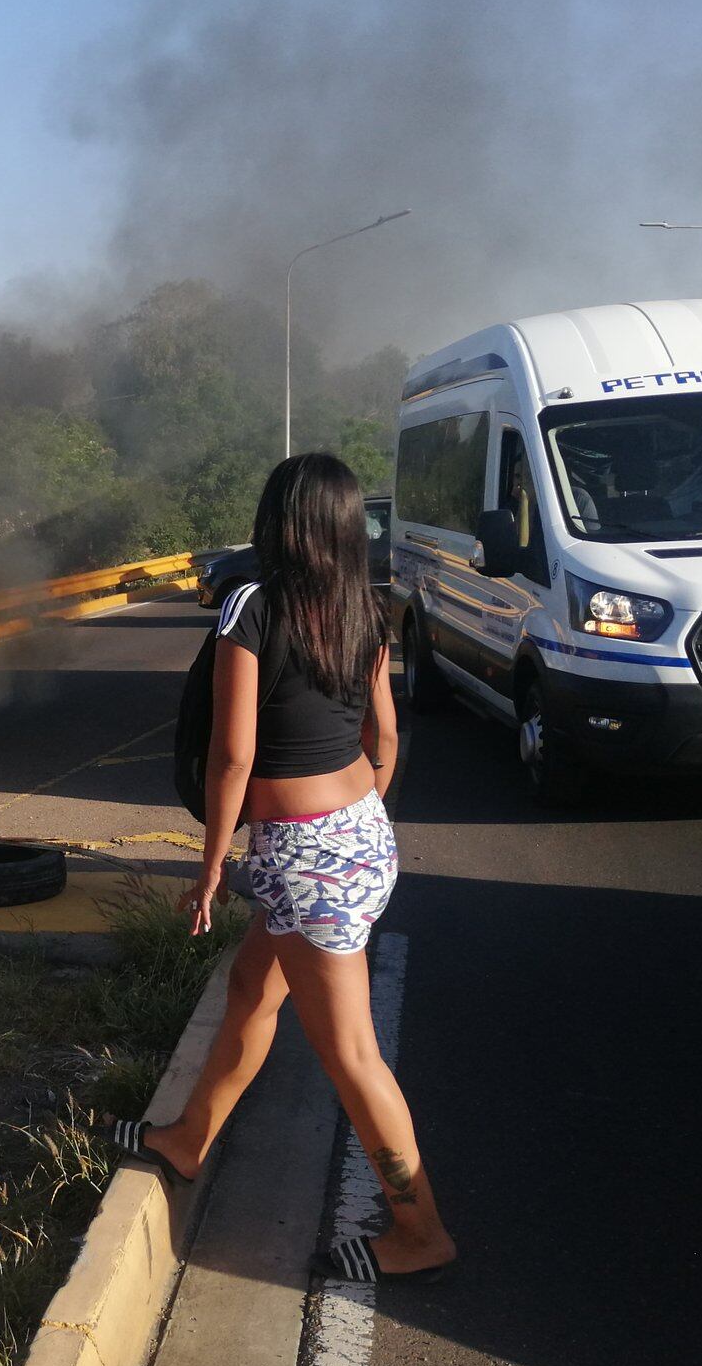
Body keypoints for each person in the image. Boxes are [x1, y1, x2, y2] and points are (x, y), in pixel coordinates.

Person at [113, 454, 457, 1284]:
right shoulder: (367, 612)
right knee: (251, 991)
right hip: (357, 835)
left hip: (305, 857)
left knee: (350, 1056)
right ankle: (189, 1140)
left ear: (280, 523)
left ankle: (422, 1231)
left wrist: (210, 868)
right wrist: (350, 824)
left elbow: (231, 758)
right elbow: (385, 740)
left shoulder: (252, 606)